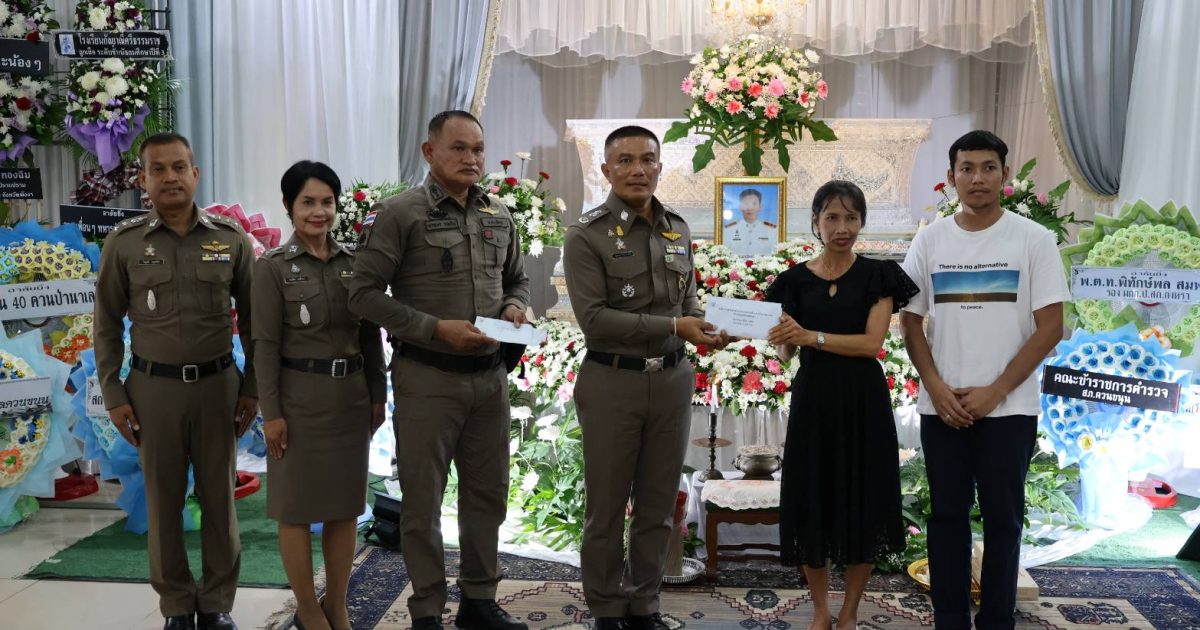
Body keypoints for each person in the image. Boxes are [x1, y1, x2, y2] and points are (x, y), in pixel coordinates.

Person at [348, 110, 531, 630]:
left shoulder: (498, 213)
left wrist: (516, 307)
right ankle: (427, 609)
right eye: (458, 148)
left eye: (478, 149)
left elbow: (518, 280)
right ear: (429, 152)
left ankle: (479, 600)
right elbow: (361, 295)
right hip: (427, 378)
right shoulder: (399, 213)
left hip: (489, 380)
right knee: (423, 502)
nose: (471, 158)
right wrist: (433, 329)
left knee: (487, 495)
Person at [900, 130, 1068, 630]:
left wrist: (997, 390)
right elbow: (910, 320)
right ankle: (949, 619)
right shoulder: (930, 239)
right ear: (951, 177)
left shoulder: (1033, 239)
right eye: (967, 168)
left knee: (1004, 521)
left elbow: (1051, 327)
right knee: (946, 517)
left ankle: (997, 621)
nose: (978, 178)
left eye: (988, 167)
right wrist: (935, 387)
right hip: (944, 406)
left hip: (1009, 409)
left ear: (1004, 175)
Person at [564, 125, 729, 630]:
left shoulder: (677, 227)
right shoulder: (586, 234)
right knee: (607, 506)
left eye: (648, 160)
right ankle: (606, 607)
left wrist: (707, 326)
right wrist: (677, 327)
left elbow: (688, 300)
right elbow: (595, 320)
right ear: (606, 169)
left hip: (673, 380)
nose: (638, 169)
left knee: (658, 504)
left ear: (660, 166)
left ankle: (644, 604)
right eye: (626, 160)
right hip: (613, 381)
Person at [94, 132, 257, 630]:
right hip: (153, 390)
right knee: (163, 501)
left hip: (218, 387)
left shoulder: (230, 239)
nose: (170, 177)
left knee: (219, 499)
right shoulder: (124, 243)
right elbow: (106, 325)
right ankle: (177, 607)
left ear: (195, 174)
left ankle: (217, 603)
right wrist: (114, 394)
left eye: (179, 167)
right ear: (143, 179)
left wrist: (252, 388)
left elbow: (256, 323)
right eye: (159, 169)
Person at [765, 180, 914, 630]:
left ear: (862, 222)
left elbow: (871, 344)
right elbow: (785, 353)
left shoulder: (879, 275)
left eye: (851, 217)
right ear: (816, 222)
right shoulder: (793, 281)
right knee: (813, 499)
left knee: (861, 501)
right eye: (832, 217)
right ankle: (820, 611)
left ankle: (849, 612)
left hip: (862, 400)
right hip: (814, 401)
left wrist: (810, 336)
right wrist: (780, 336)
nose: (842, 227)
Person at [252, 161, 387, 630]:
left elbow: (370, 337)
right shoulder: (272, 268)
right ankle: (308, 609)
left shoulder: (354, 265)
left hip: (350, 399)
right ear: (288, 206)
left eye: (327, 202)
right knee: (295, 510)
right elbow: (264, 346)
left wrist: (377, 394)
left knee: (344, 507)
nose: (319, 211)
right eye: (307, 202)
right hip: (298, 402)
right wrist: (272, 413)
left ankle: (337, 604)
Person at [724, 187, 778, 258]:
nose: (750, 208)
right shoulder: (728, 230)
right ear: (740, 207)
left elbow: (775, 253)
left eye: (754, 204)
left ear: (760, 207)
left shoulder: (771, 230)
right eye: (746, 204)